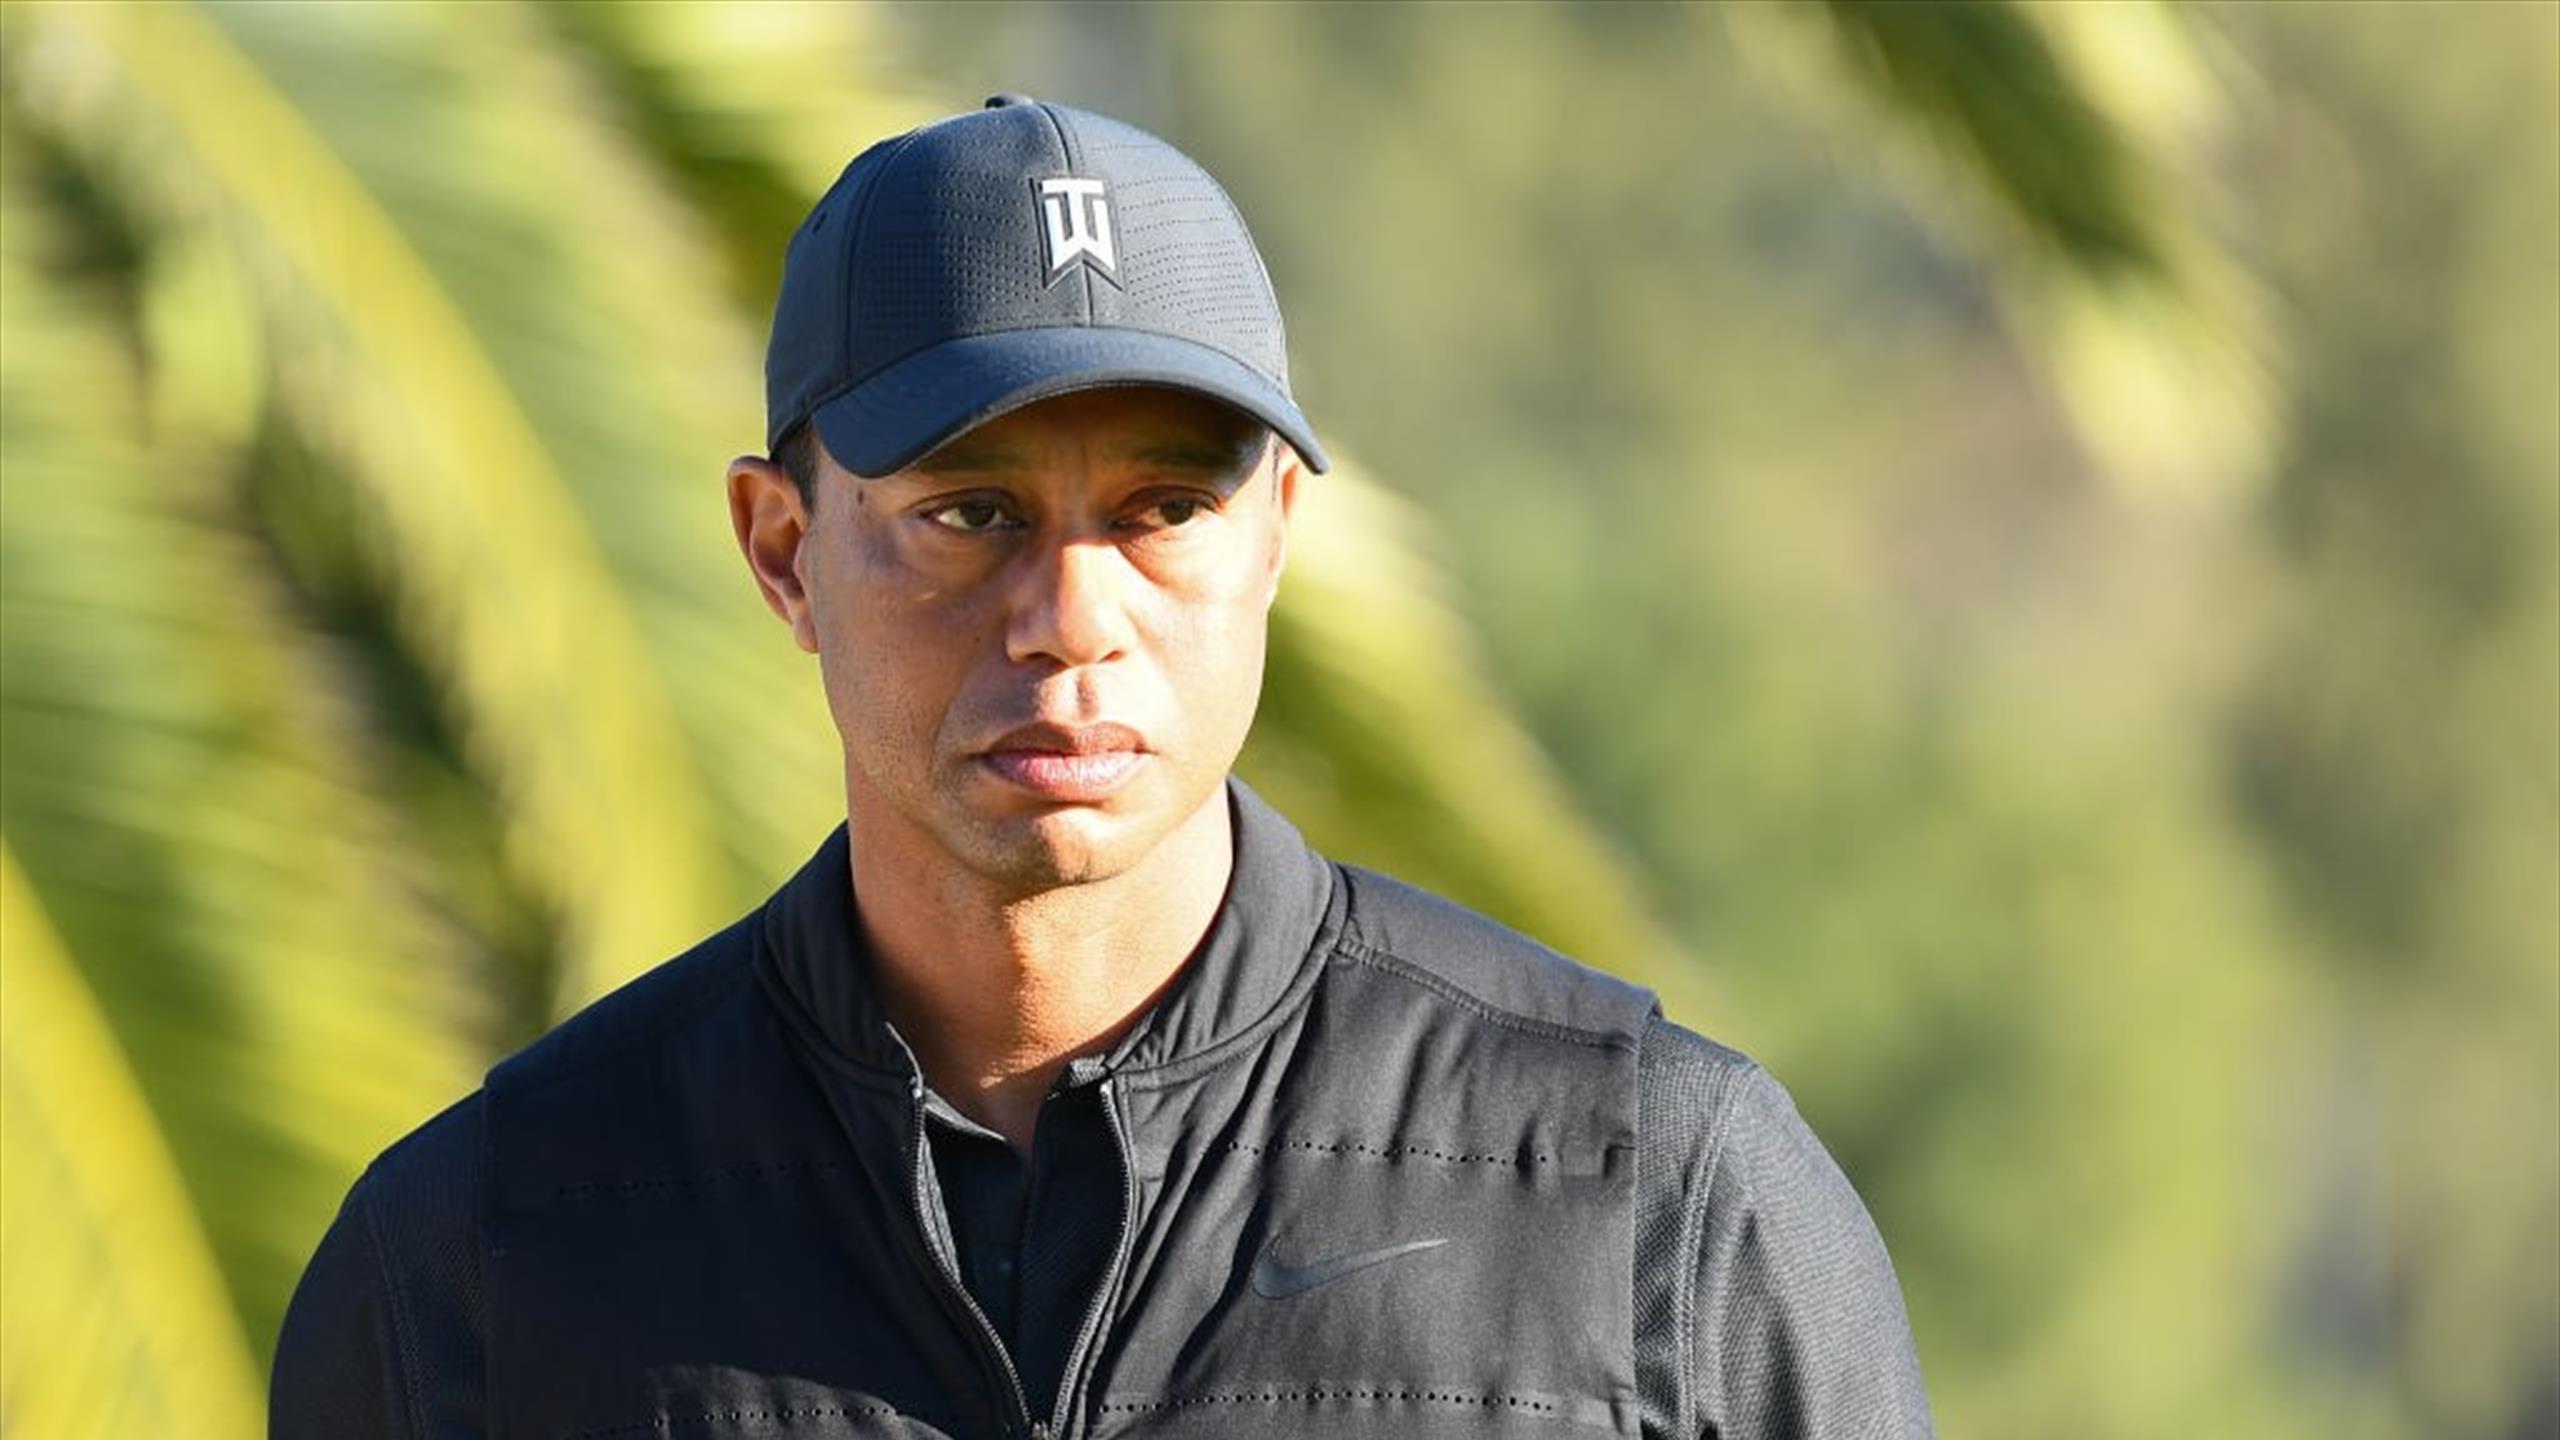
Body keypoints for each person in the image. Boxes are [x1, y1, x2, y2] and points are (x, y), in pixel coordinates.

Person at [270, 94, 1935, 1440]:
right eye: (971, 513)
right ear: (782, 551)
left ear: (1273, 536)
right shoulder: (475, 1260)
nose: (1074, 617)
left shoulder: (1657, 1195)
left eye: (1165, 509)